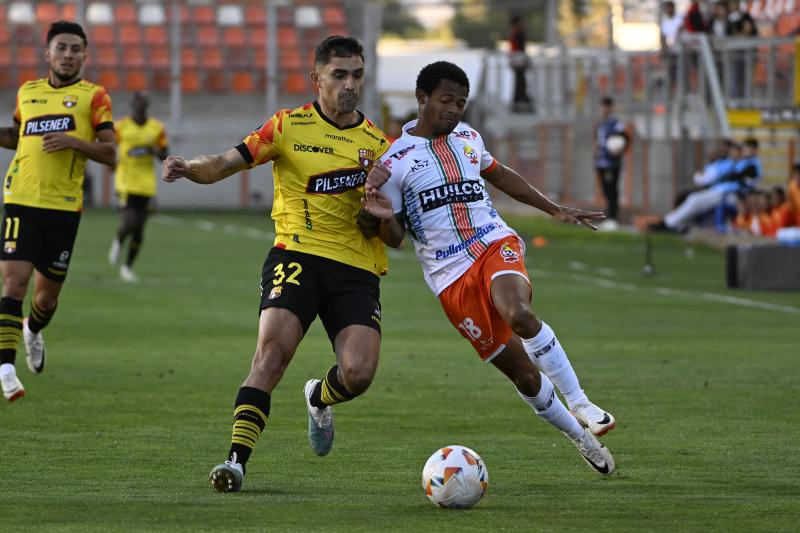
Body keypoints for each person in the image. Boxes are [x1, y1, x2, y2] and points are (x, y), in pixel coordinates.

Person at [361, 61, 616, 476]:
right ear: (422, 98)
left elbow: (500, 175)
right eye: (446, 100)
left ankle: (580, 400)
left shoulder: (468, 137)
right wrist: (381, 215)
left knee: (518, 312)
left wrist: (553, 209)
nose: (454, 110)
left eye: (460, 103)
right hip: (449, 276)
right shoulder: (395, 160)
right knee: (523, 375)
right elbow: (394, 238)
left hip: (492, 242)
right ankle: (577, 435)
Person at [161, 36, 390, 493]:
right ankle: (235, 462)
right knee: (270, 355)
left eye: (357, 75)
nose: (350, 85)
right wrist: (190, 167)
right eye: (339, 75)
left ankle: (317, 396)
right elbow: (225, 163)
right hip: (296, 255)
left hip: (355, 268)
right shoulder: (286, 126)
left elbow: (391, 232)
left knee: (359, 374)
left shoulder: (380, 145)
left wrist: (373, 214)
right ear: (316, 79)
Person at [0, 21, 115, 402]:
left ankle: (34, 329)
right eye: (61, 48)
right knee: (14, 283)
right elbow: (18, 137)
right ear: (46, 54)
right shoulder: (27, 91)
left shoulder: (94, 96)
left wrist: (72, 141)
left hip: (63, 207)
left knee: (46, 299)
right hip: (20, 198)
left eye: (75, 49)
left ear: (85, 55)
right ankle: (6, 369)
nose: (67, 55)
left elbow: (110, 153)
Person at [108, 92, 168, 282]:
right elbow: (109, 147)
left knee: (140, 228)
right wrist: (111, 163)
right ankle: (118, 240)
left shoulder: (156, 128)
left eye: (142, 107)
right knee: (129, 221)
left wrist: (155, 151)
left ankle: (127, 268)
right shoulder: (121, 127)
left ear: (146, 108)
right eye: (137, 107)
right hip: (125, 181)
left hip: (146, 183)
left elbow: (165, 155)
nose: (139, 110)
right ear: (132, 107)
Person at [653, 138, 761, 233]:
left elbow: (743, 182)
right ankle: (673, 223)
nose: (745, 151)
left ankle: (670, 223)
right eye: (744, 148)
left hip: (733, 196)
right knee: (692, 198)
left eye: (748, 148)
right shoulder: (740, 163)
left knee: (695, 200)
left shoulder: (752, 165)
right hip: (722, 192)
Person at [594, 96, 628, 230]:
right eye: (602, 106)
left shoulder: (615, 123)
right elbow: (598, 141)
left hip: (611, 163)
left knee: (612, 191)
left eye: (606, 106)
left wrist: (620, 150)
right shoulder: (601, 123)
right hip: (601, 162)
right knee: (606, 191)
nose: (604, 109)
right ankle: (609, 218)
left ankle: (613, 219)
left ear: (611, 107)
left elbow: (624, 138)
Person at [508, 15, 533, 113]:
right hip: (519, 62)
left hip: (517, 62)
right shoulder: (518, 34)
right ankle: (521, 102)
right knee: (520, 83)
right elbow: (520, 49)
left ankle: (518, 103)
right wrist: (525, 61)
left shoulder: (514, 34)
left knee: (520, 82)